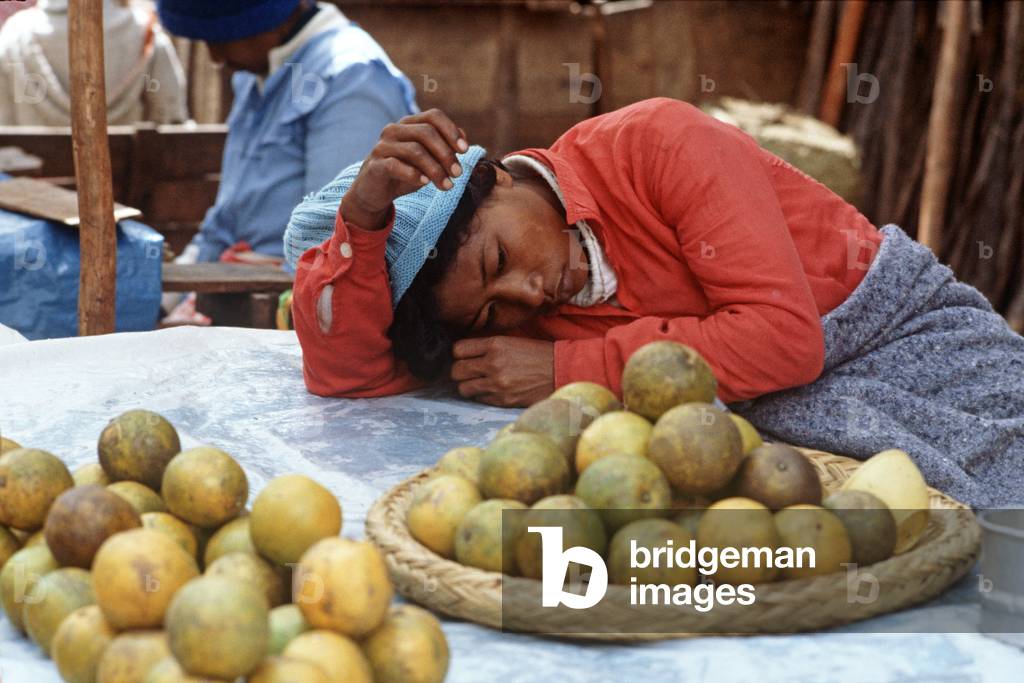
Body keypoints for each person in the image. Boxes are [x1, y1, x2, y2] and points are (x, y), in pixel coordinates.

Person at [283, 99, 1024, 508]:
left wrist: (569, 365)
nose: (530, 295)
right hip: (793, 421)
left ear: (499, 177)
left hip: (904, 336)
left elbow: (785, 340)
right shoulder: (518, 317)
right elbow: (351, 375)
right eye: (492, 313)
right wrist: (365, 223)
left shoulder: (656, 144)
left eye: (500, 260)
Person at [156, 0, 417, 266]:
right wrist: (170, 299)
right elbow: (222, 223)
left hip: (293, 298)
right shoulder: (254, 76)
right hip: (234, 288)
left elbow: (337, 247)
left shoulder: (352, 81)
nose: (216, 58)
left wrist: (275, 274)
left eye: (223, 39)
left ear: (268, 17)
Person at [0, 0, 188, 126]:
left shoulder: (14, 34)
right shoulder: (145, 31)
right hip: (123, 181)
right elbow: (172, 116)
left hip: (32, 181)